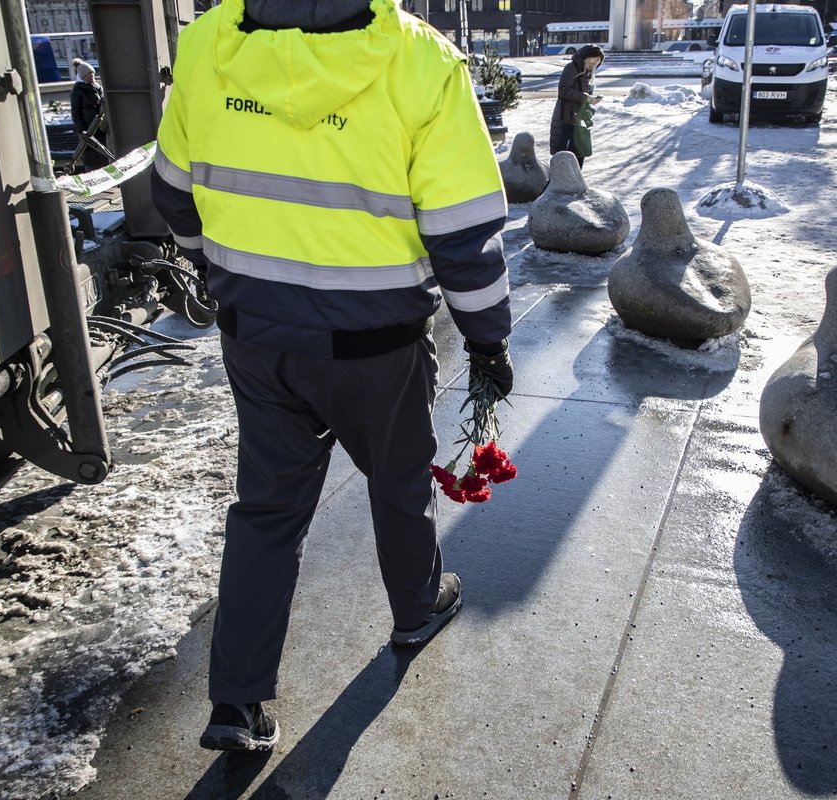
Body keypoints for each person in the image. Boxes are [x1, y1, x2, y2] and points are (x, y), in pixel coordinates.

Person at [150, 0, 513, 752]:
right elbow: (462, 231)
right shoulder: (421, 60)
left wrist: (211, 264)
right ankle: (415, 610)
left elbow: (174, 194)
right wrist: (488, 339)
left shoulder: (207, 45)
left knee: (268, 511)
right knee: (397, 482)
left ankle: (237, 702)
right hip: (375, 348)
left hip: (257, 336)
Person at [549, 44, 604, 169]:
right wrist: (586, 98)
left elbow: (580, 97)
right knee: (564, 158)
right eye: (592, 60)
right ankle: (562, 185)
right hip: (566, 119)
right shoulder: (572, 68)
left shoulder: (586, 74)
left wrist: (590, 103)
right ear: (585, 57)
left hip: (578, 121)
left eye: (596, 62)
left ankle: (574, 185)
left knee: (578, 158)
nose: (592, 64)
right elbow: (563, 91)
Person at [69, 58, 109, 169]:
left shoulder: (97, 87)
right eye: (89, 75)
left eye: (93, 74)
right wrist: (81, 130)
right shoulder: (77, 91)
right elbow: (75, 112)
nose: (92, 77)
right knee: (91, 156)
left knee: (104, 153)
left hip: (100, 126)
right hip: (88, 128)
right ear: (83, 77)